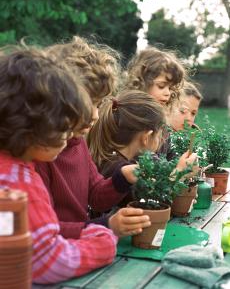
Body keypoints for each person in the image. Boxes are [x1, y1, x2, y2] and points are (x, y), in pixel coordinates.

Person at [0, 47, 131, 284]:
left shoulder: (69, 147)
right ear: (33, 119)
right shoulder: (19, 181)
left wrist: (121, 178)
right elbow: (45, 260)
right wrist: (103, 238)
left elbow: (12, 241)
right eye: (64, 119)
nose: (91, 116)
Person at [36, 36, 151, 240]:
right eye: (90, 104)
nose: (96, 115)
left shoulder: (77, 142)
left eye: (99, 105)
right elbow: (44, 230)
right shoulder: (40, 155)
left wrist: (122, 177)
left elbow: (96, 196)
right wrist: (106, 225)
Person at [88, 90, 197, 209]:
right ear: (146, 137)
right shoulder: (118, 170)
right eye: (161, 134)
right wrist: (179, 173)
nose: (163, 139)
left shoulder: (116, 159)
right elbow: (153, 203)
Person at [125, 46, 188, 159]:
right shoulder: (128, 120)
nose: (167, 93)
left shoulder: (161, 124)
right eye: (161, 86)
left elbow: (168, 157)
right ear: (141, 83)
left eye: (170, 88)